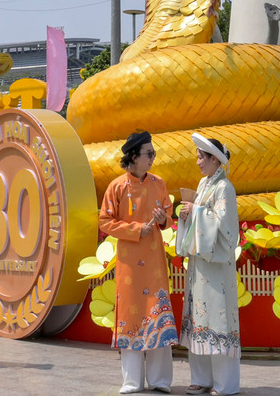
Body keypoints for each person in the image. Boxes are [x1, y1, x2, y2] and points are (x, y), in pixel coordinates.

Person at [99, 129, 176, 395]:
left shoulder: (159, 183)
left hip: (154, 263)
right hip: (130, 264)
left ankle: (160, 381)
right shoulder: (116, 187)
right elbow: (105, 221)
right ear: (133, 156)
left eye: (154, 154)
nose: (153, 158)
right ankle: (132, 382)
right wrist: (135, 231)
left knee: (157, 315)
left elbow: (168, 215)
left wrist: (162, 218)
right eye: (148, 154)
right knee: (131, 316)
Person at [179, 133, 241, 396]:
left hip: (216, 266)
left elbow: (226, 226)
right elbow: (202, 218)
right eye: (198, 156)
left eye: (201, 157)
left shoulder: (224, 188)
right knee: (199, 319)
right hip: (200, 265)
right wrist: (188, 214)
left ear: (215, 160)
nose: (198, 162)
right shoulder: (204, 183)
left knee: (218, 320)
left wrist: (196, 211)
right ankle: (201, 378)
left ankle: (224, 384)